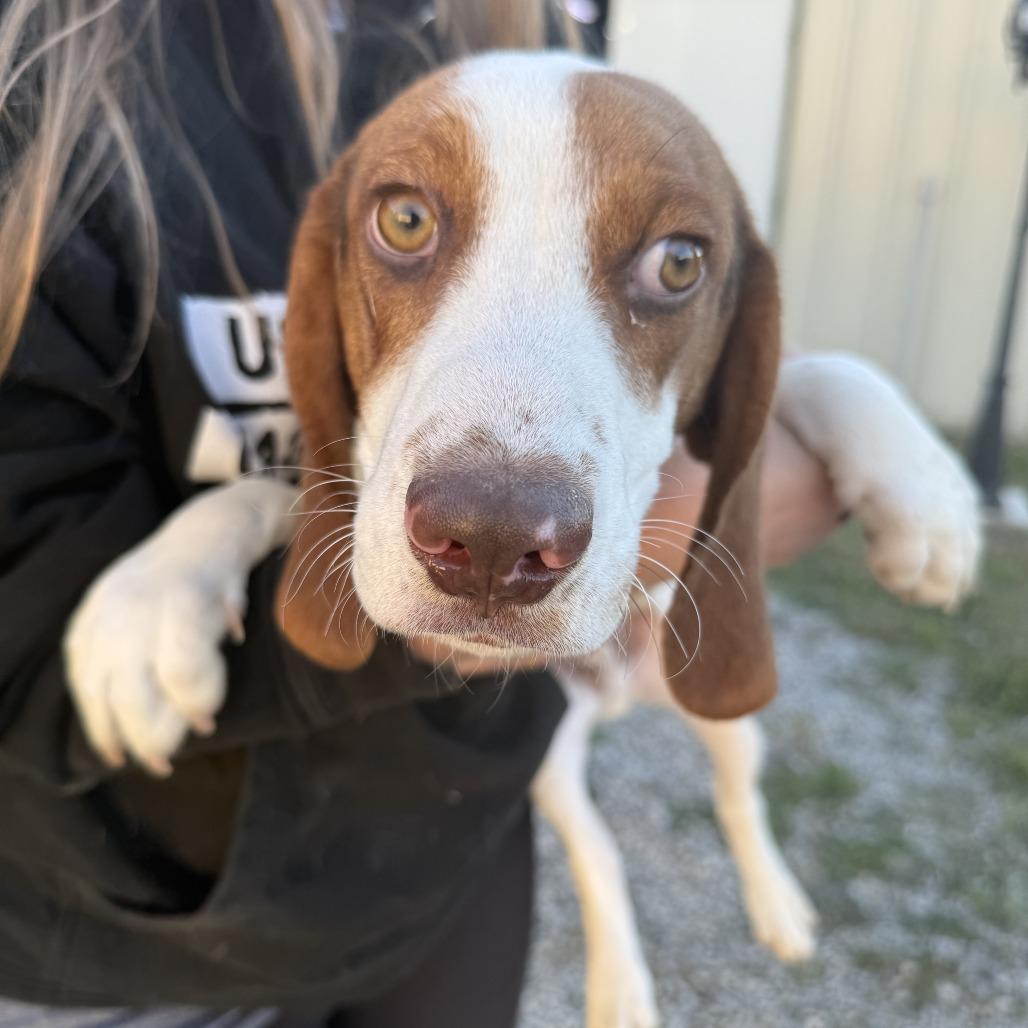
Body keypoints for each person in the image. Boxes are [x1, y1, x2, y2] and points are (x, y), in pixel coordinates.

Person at [0, 2, 843, 1026]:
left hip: (454, 875)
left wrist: (791, 464)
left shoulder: (545, 38)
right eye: (407, 221)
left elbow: (713, 361)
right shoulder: (36, 68)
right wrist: (669, 530)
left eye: (667, 264)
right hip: (119, 936)